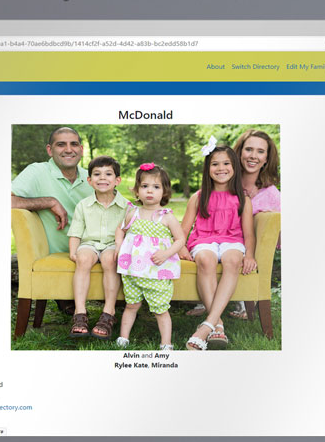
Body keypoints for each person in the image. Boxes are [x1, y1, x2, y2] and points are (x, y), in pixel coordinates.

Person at [179, 146, 256, 350]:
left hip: (232, 239)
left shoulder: (243, 199)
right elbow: (183, 229)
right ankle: (217, 323)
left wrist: (249, 255)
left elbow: (249, 234)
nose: (220, 168)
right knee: (206, 259)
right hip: (204, 238)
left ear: (234, 167)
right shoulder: (199, 196)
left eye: (226, 163)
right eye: (215, 164)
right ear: (208, 168)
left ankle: (206, 327)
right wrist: (181, 248)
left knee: (232, 260)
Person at [205, 130, 282, 321]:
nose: (253, 156)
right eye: (248, 149)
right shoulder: (224, 179)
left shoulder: (271, 194)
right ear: (239, 153)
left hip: (244, 249)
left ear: (267, 159)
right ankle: (207, 302)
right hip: (214, 243)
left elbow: (279, 238)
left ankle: (238, 304)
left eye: (260, 151)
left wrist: (266, 223)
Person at [114, 163, 184, 350]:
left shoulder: (166, 217)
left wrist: (166, 253)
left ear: (164, 191)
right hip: (133, 272)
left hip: (156, 271)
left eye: (156, 187)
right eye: (144, 186)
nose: (149, 191)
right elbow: (120, 230)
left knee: (161, 310)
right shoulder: (132, 213)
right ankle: (123, 337)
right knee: (131, 305)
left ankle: (166, 343)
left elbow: (180, 239)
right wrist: (119, 246)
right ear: (137, 191)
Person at [65, 156, 130, 340]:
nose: (102, 178)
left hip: (113, 245)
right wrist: (73, 251)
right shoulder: (83, 205)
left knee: (110, 259)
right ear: (89, 180)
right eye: (97, 174)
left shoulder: (126, 206)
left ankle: (108, 313)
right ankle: (80, 314)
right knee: (84, 258)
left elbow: (129, 233)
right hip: (90, 243)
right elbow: (76, 231)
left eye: (108, 174)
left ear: (117, 180)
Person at [10, 127, 94, 259]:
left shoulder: (93, 178)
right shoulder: (37, 171)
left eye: (74, 144)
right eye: (61, 145)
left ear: (81, 149)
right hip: (54, 261)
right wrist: (49, 202)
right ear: (50, 150)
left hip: (94, 256)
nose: (68, 149)